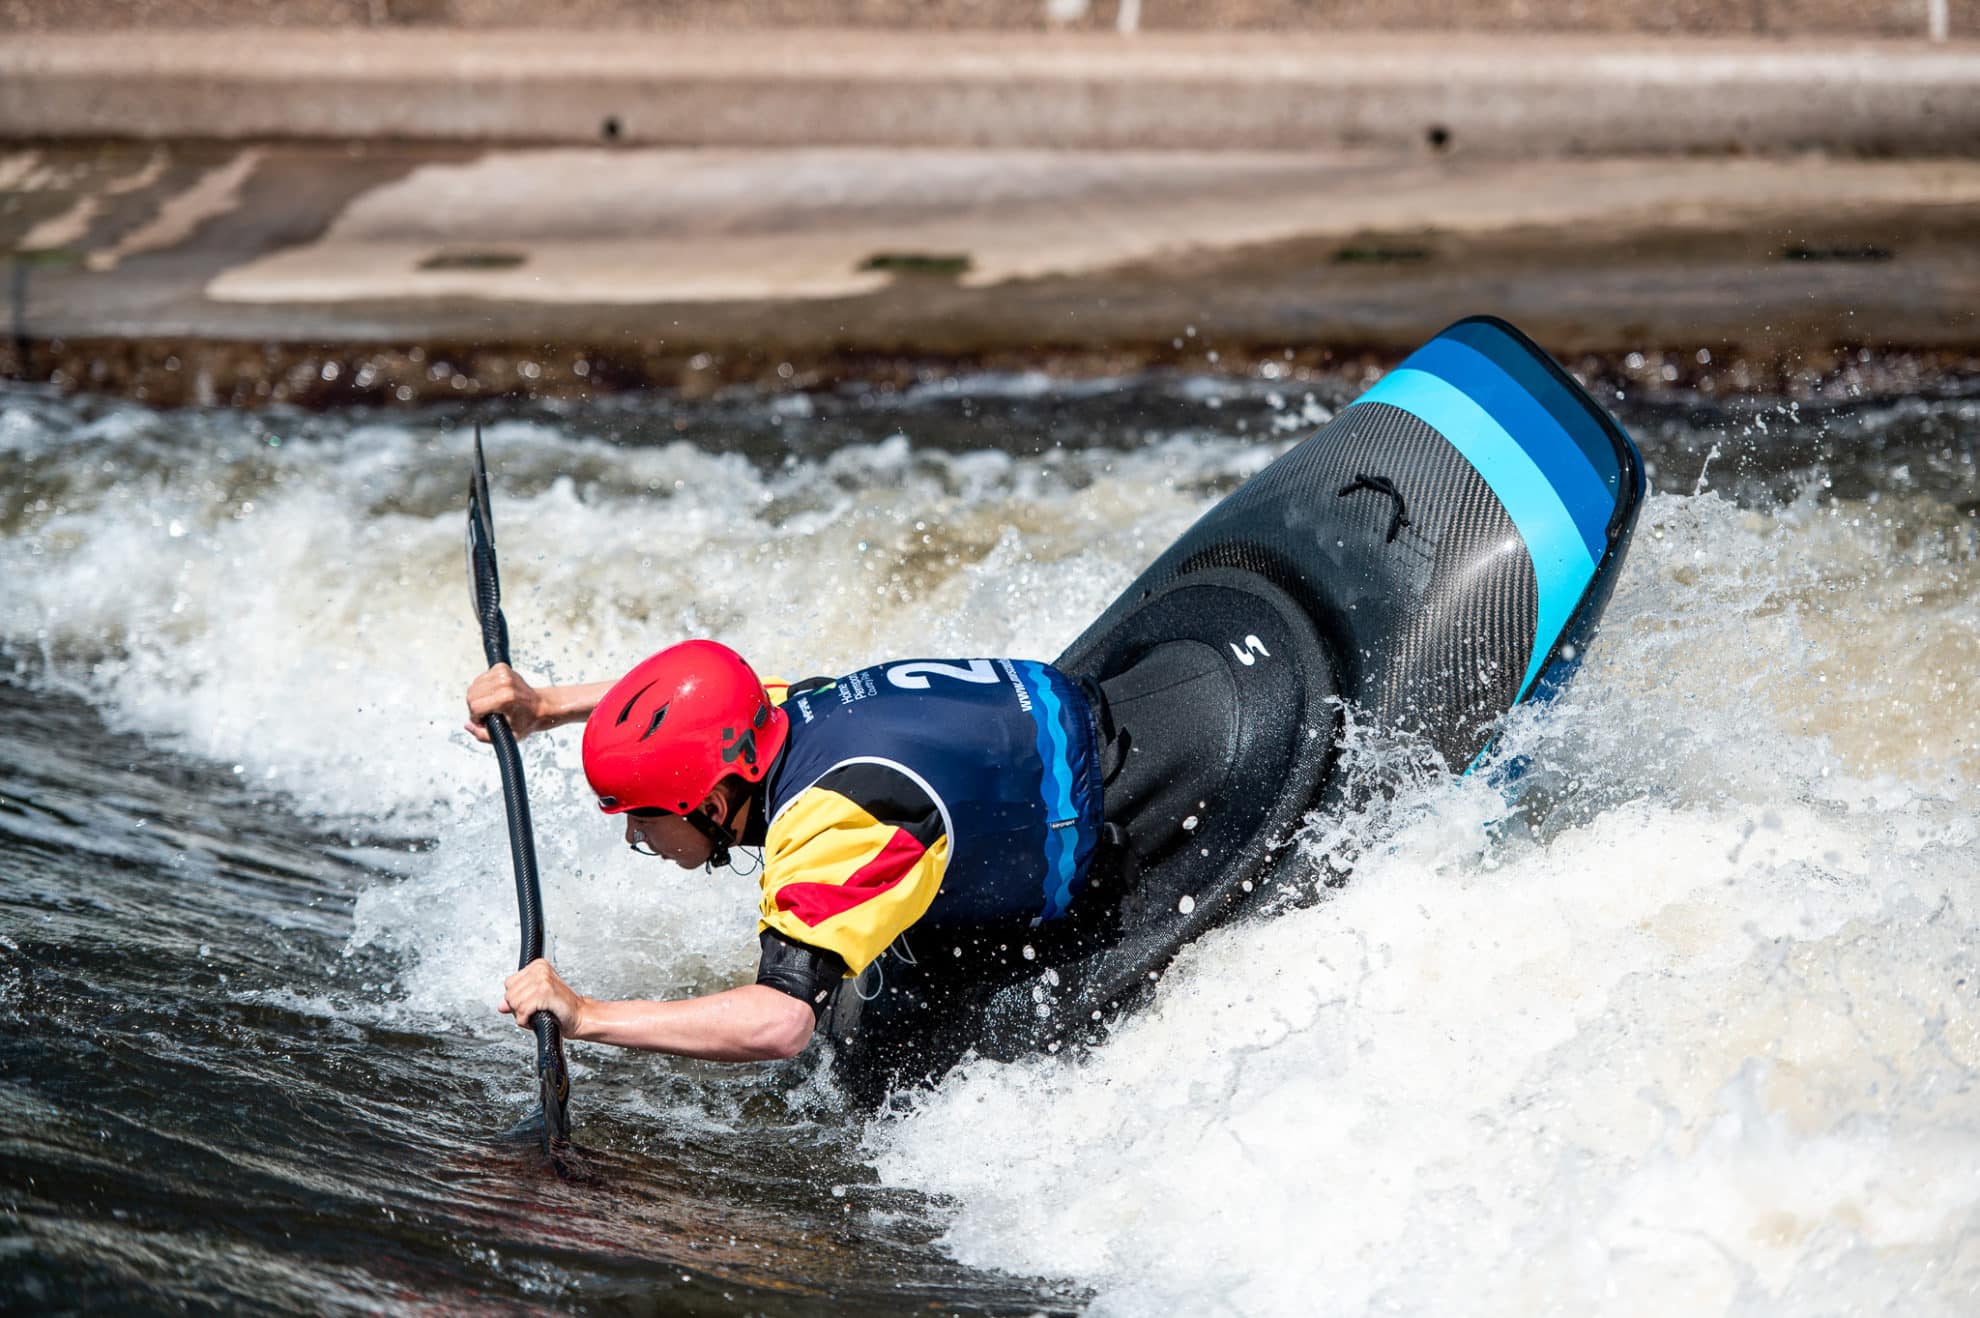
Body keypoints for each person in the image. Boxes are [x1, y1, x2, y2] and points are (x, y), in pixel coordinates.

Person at [468, 639, 1122, 1065]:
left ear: (713, 807)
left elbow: (781, 1022)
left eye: (643, 817)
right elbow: (688, 707)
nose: (635, 836)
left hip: (1118, 812)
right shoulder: (787, 713)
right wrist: (545, 706)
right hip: (1063, 708)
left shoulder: (829, 831)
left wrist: (586, 1015)